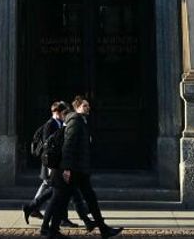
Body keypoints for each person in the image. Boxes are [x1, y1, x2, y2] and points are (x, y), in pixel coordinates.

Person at [40, 97, 122, 238]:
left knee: (84, 199)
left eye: (88, 105)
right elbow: (68, 145)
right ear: (77, 107)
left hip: (79, 169)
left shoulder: (81, 121)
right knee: (61, 200)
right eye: (85, 105)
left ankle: (103, 229)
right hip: (72, 170)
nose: (88, 107)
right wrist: (66, 168)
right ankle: (52, 231)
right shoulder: (75, 121)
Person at [23, 101, 93, 230]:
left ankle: (36, 211)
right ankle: (79, 220)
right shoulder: (51, 125)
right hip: (56, 166)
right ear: (58, 112)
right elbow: (49, 147)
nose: (65, 115)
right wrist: (52, 168)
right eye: (63, 113)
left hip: (61, 165)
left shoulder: (62, 124)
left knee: (61, 194)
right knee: (60, 194)